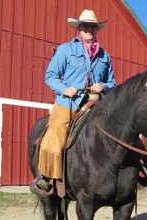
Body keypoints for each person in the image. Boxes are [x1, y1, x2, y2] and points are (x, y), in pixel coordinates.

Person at [31, 9, 116, 197]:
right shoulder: (66, 50)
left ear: (96, 29)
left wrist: (103, 85)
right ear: (80, 28)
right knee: (56, 130)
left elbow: (112, 82)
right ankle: (47, 177)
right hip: (69, 102)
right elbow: (50, 76)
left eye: (92, 26)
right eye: (85, 26)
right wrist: (64, 89)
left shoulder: (104, 56)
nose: (89, 29)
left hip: (95, 103)